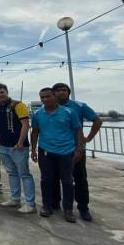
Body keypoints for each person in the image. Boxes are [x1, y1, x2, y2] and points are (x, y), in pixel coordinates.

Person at [31, 87, 84, 223]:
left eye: (48, 96)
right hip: (46, 151)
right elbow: (35, 132)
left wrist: (79, 149)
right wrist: (33, 150)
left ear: (55, 97)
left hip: (66, 152)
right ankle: (47, 206)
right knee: (46, 180)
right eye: (42, 97)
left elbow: (78, 130)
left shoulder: (69, 112)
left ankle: (68, 210)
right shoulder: (38, 114)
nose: (45, 99)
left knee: (67, 181)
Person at [52, 82, 102, 221]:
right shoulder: (48, 107)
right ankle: (55, 203)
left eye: (64, 90)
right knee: (54, 178)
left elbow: (97, 120)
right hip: (54, 149)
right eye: (58, 90)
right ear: (53, 93)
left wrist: (89, 138)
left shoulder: (79, 106)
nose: (61, 92)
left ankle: (83, 208)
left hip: (75, 149)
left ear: (68, 92)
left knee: (79, 179)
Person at [0, 83, 36, 214]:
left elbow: (25, 124)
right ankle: (15, 198)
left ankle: (30, 204)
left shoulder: (18, 105)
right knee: (11, 173)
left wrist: (21, 142)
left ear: (6, 91)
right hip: (4, 146)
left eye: (1, 92)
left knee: (25, 174)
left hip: (18, 147)